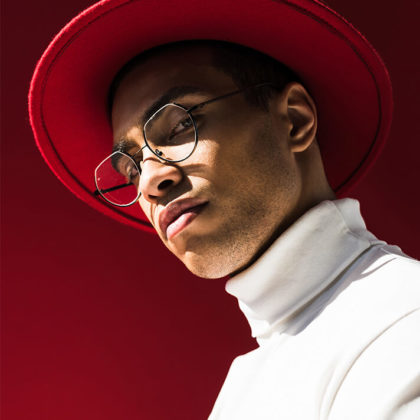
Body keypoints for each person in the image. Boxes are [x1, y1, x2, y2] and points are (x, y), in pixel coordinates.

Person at [29, 0, 420, 418]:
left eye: (181, 125)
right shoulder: (250, 379)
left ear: (294, 120)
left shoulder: (402, 319)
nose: (149, 181)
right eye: (130, 169)